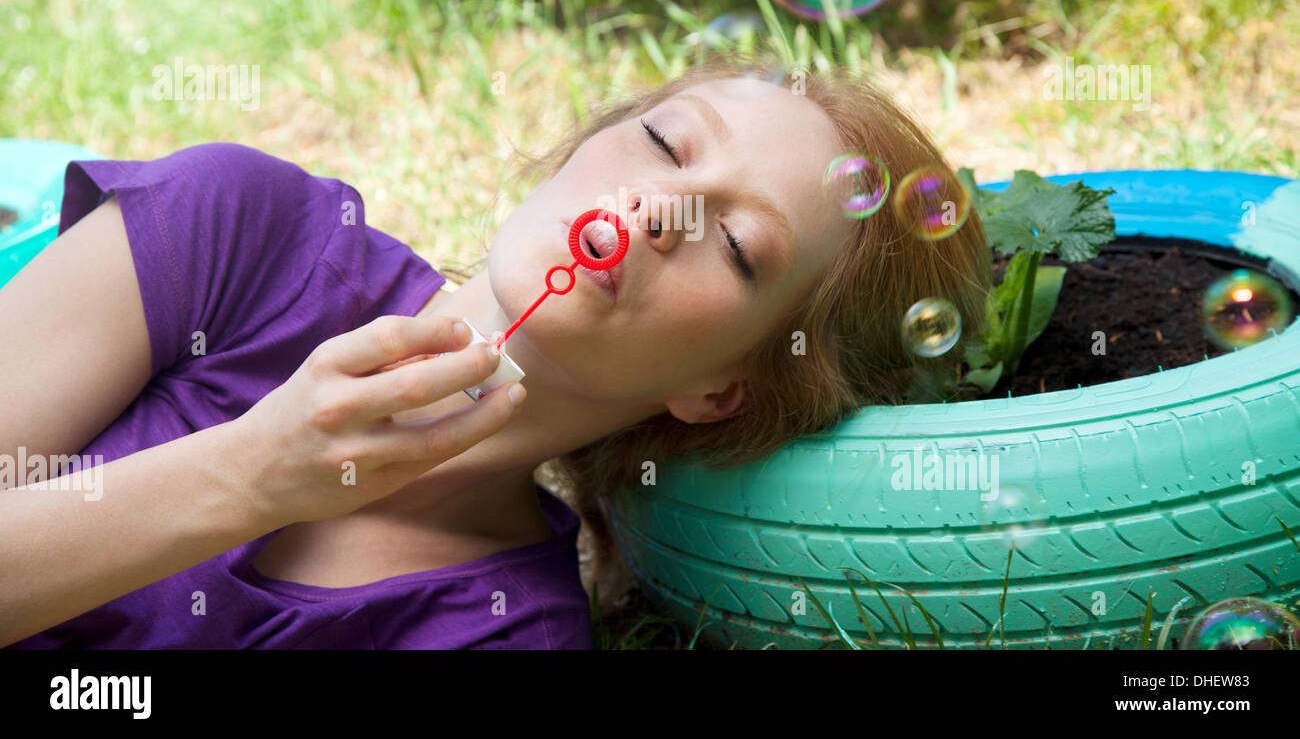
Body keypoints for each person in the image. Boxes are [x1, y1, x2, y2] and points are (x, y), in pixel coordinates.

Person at [0, 52, 991, 649]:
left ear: (720, 388)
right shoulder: (239, 230)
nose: (653, 209)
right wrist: (252, 472)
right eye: (662, 143)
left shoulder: (499, 625)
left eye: (735, 244)